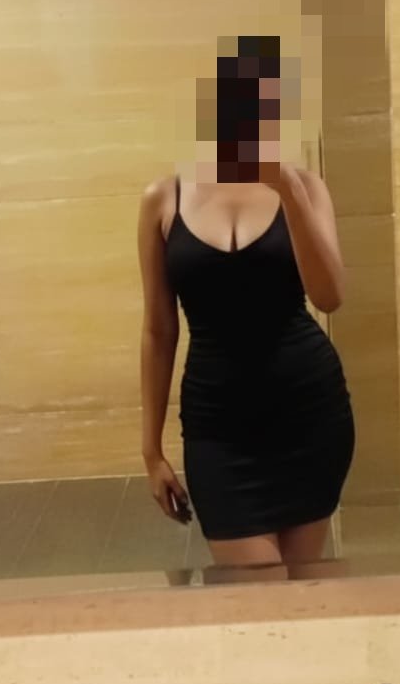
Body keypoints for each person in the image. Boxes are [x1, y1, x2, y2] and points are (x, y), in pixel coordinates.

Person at [138, 36, 354, 567]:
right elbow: (159, 331)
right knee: (255, 587)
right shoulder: (165, 198)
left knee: (303, 588)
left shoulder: (306, 188)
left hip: (309, 412)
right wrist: (151, 450)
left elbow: (329, 297)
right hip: (218, 427)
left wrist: (287, 188)